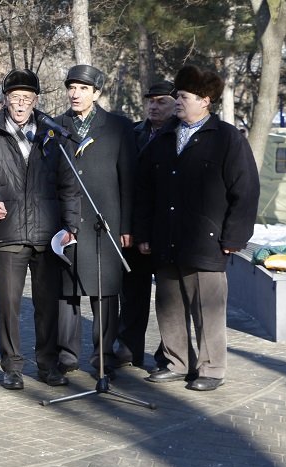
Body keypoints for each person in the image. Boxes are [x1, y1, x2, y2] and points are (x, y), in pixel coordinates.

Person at [136, 65, 259, 391]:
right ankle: (177, 362)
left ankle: (211, 369)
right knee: (169, 306)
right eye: (177, 95)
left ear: (205, 100)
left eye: (185, 96)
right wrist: (145, 233)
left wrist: (234, 236)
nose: (177, 101)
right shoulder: (162, 138)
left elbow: (245, 191)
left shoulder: (227, 139)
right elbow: (144, 191)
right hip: (166, 239)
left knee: (208, 309)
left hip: (208, 242)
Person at [0, 69, 80, 389]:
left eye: (26, 99)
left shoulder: (51, 135)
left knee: (47, 305)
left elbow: (69, 184)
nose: (20, 104)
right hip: (8, 232)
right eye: (15, 98)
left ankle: (47, 364)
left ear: (35, 101)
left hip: (48, 235)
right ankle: (12, 366)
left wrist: (71, 224)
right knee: (10, 306)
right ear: (5, 100)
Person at [54, 64, 137, 374]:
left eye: (83, 89)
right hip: (68, 220)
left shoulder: (118, 127)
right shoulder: (56, 125)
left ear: (96, 93)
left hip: (107, 222)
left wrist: (126, 226)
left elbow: (128, 179)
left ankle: (103, 354)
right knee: (67, 290)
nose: (76, 94)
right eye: (72, 88)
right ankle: (67, 354)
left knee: (105, 291)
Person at [116, 81, 177, 369]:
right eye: (150, 101)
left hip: (168, 229)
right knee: (132, 295)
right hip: (135, 226)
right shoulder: (134, 133)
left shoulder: (181, 134)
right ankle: (128, 349)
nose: (153, 106)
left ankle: (169, 356)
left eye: (161, 101)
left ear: (175, 103)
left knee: (169, 299)